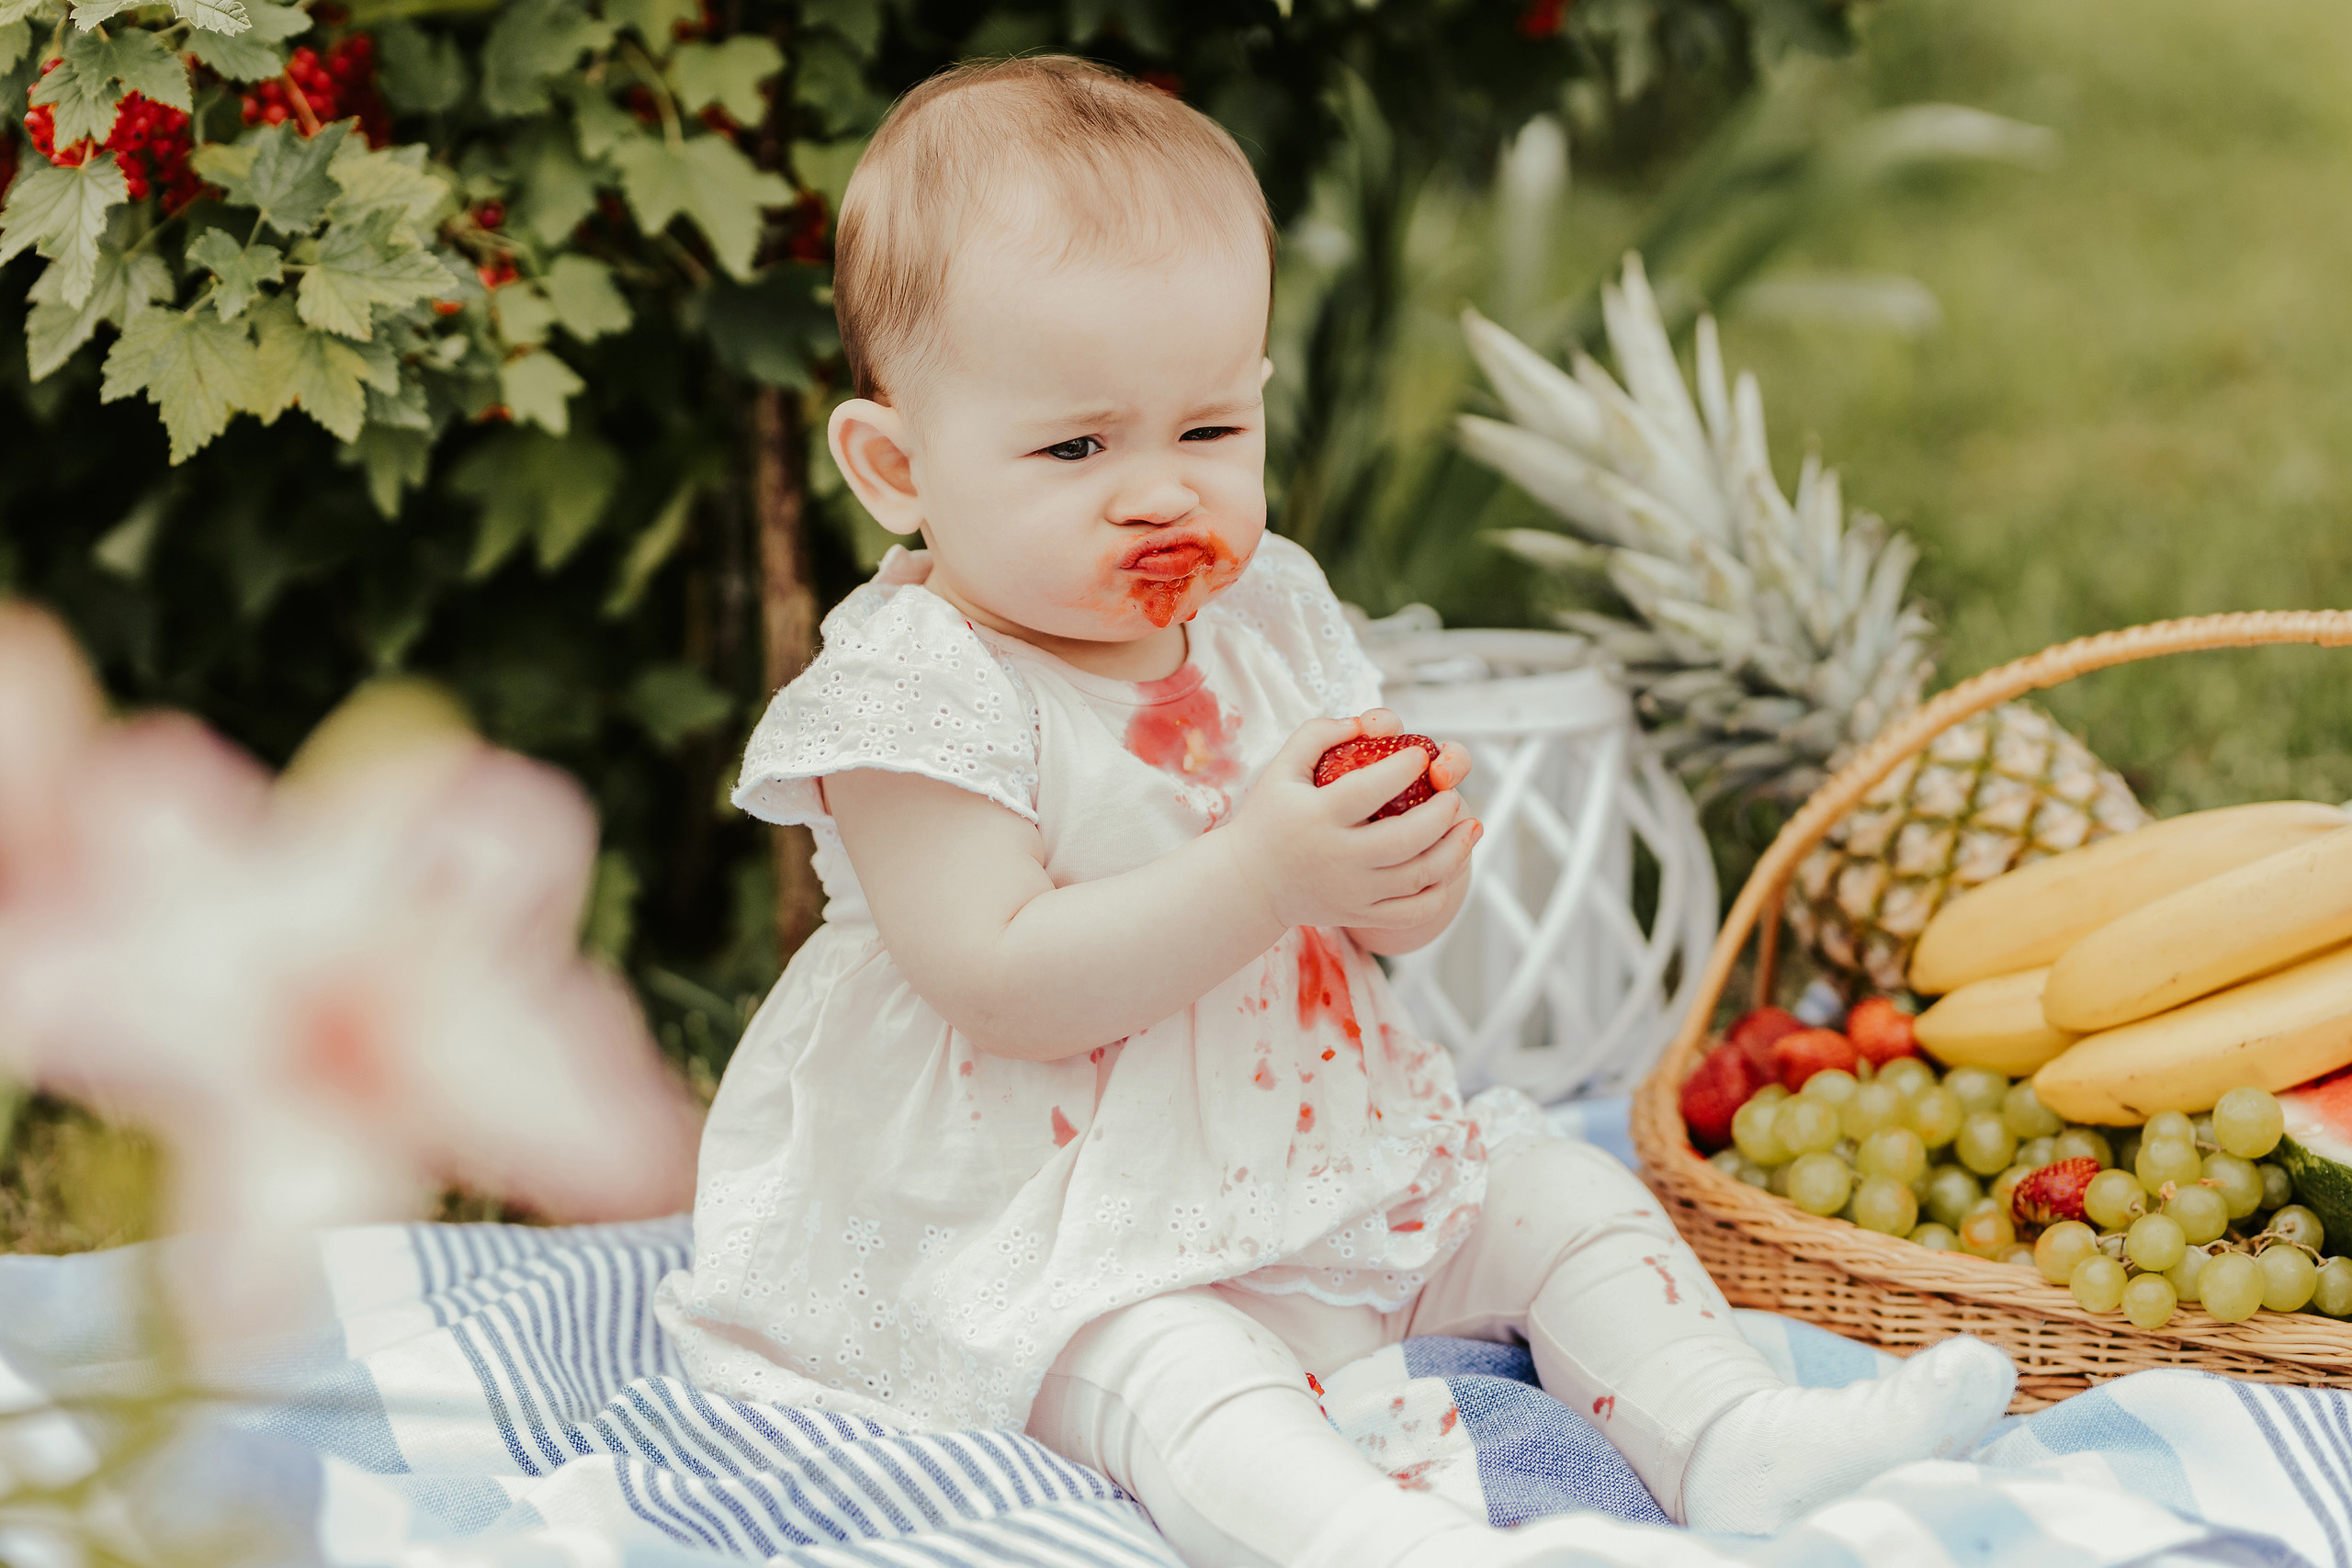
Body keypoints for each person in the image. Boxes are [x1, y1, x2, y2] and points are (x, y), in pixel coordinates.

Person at [653, 55, 2015, 1568]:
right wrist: (1262, 874)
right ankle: (1367, 1537)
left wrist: (1396, 877)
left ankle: (1732, 1437)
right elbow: (1001, 981)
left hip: (1308, 1148)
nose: (1159, 493)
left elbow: (1361, 927)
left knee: (1559, 1198)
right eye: (1077, 447)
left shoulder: (1263, 622)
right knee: (1171, 1363)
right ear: (896, 467)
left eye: (1208, 432)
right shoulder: (920, 693)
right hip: (1038, 1214)